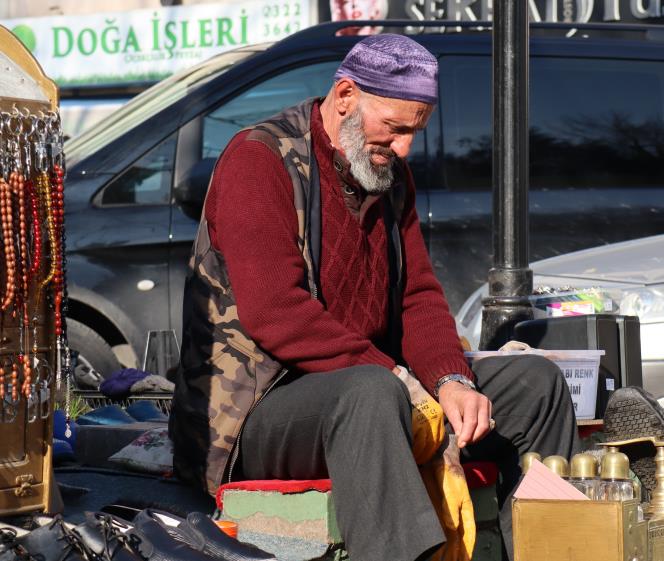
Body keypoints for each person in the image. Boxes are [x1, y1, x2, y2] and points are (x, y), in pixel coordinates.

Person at [169, 34, 580, 561]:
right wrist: (400, 379)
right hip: (255, 410)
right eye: (395, 128)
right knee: (372, 392)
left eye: (415, 132)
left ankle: (555, 549)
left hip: (372, 380)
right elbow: (277, 313)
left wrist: (451, 381)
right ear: (345, 96)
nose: (405, 148)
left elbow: (418, 296)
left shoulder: (390, 174)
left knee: (534, 383)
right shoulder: (259, 159)